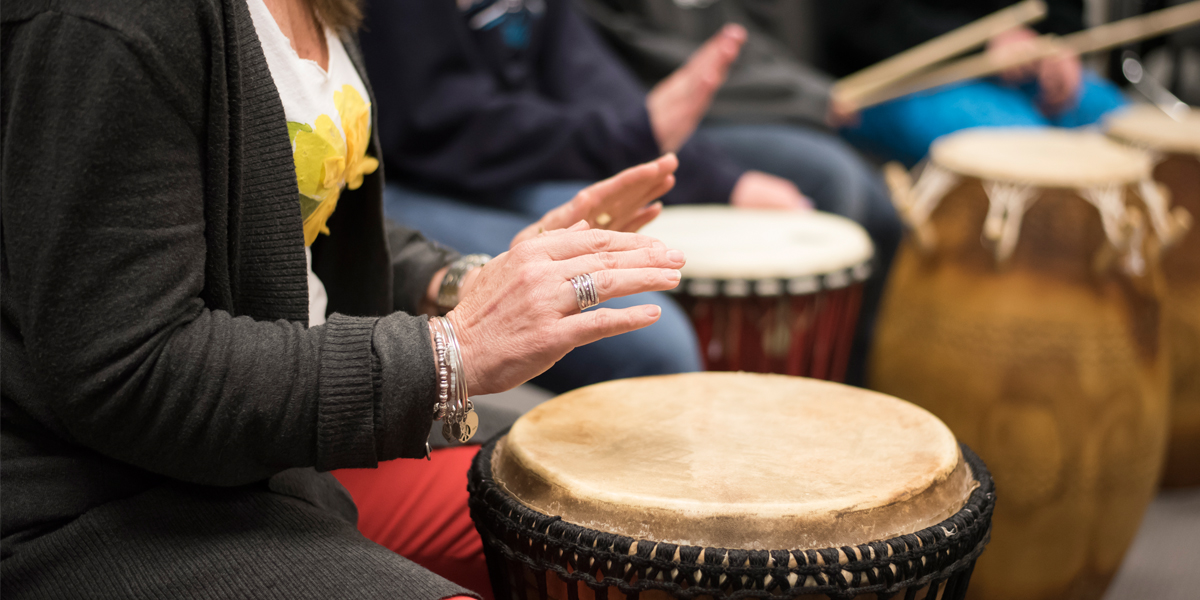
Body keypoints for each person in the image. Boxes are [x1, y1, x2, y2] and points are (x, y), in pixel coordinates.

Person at [0, 0, 686, 597]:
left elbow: (278, 216)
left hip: (269, 462)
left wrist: (465, 281)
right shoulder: (106, 21)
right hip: (101, 505)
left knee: (637, 534)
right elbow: (129, 369)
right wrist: (450, 351)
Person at [359, 0, 900, 393]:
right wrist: (628, 139)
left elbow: (590, 78)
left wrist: (715, 176)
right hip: (409, 180)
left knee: (833, 180)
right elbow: (439, 126)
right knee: (655, 339)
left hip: (523, 156)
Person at [576, 0, 902, 388]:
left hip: (738, 106)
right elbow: (637, 63)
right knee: (832, 176)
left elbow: (746, 40)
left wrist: (802, 91)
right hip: (664, 117)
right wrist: (797, 101)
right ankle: (791, 380)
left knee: (882, 213)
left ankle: (850, 385)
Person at [820, 0, 1129, 166]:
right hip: (897, 78)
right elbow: (860, 21)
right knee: (1033, 154)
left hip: (1021, 62)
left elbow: (1059, 9)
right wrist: (985, 45)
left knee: (1125, 128)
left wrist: (1061, 45)